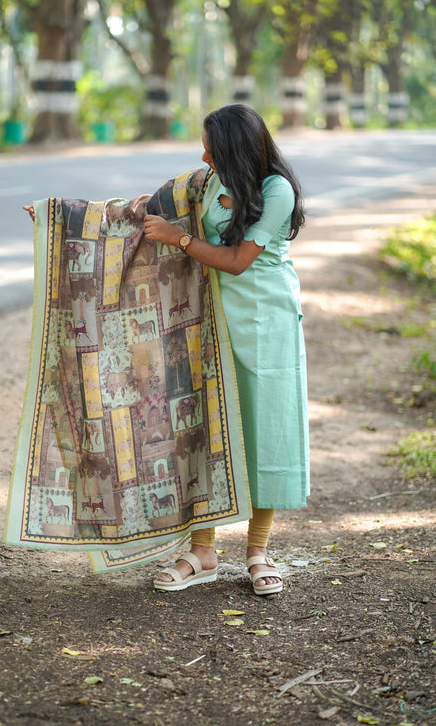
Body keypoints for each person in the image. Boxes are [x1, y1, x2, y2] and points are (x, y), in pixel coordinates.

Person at [143, 103, 309, 594]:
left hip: (266, 320)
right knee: (205, 426)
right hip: (212, 319)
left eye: (212, 149)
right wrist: (59, 218)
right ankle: (203, 551)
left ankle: (258, 551)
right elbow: (143, 206)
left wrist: (182, 240)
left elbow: (238, 261)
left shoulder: (275, 191)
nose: (203, 156)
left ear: (235, 152)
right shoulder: (205, 182)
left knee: (264, 431)